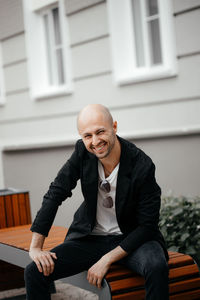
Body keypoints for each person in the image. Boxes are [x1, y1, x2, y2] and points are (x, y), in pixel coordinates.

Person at [25, 104, 169, 300]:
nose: (95, 141)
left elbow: (147, 226)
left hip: (133, 239)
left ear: (114, 127)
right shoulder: (83, 153)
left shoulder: (141, 165)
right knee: (35, 271)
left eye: (100, 132)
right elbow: (56, 191)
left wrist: (107, 259)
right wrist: (35, 248)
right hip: (91, 239)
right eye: (87, 136)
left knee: (157, 265)